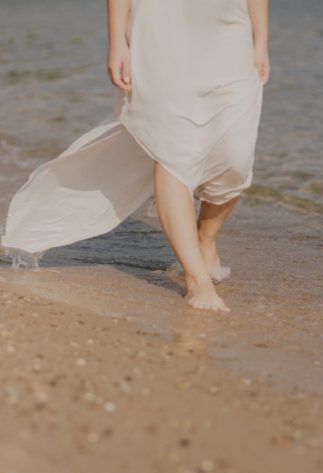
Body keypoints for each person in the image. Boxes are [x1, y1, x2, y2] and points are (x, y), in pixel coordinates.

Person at [1, 0, 270, 313]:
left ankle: (204, 238)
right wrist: (118, 42)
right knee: (171, 151)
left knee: (236, 159)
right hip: (159, 30)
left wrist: (261, 41)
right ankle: (198, 280)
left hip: (230, 30)